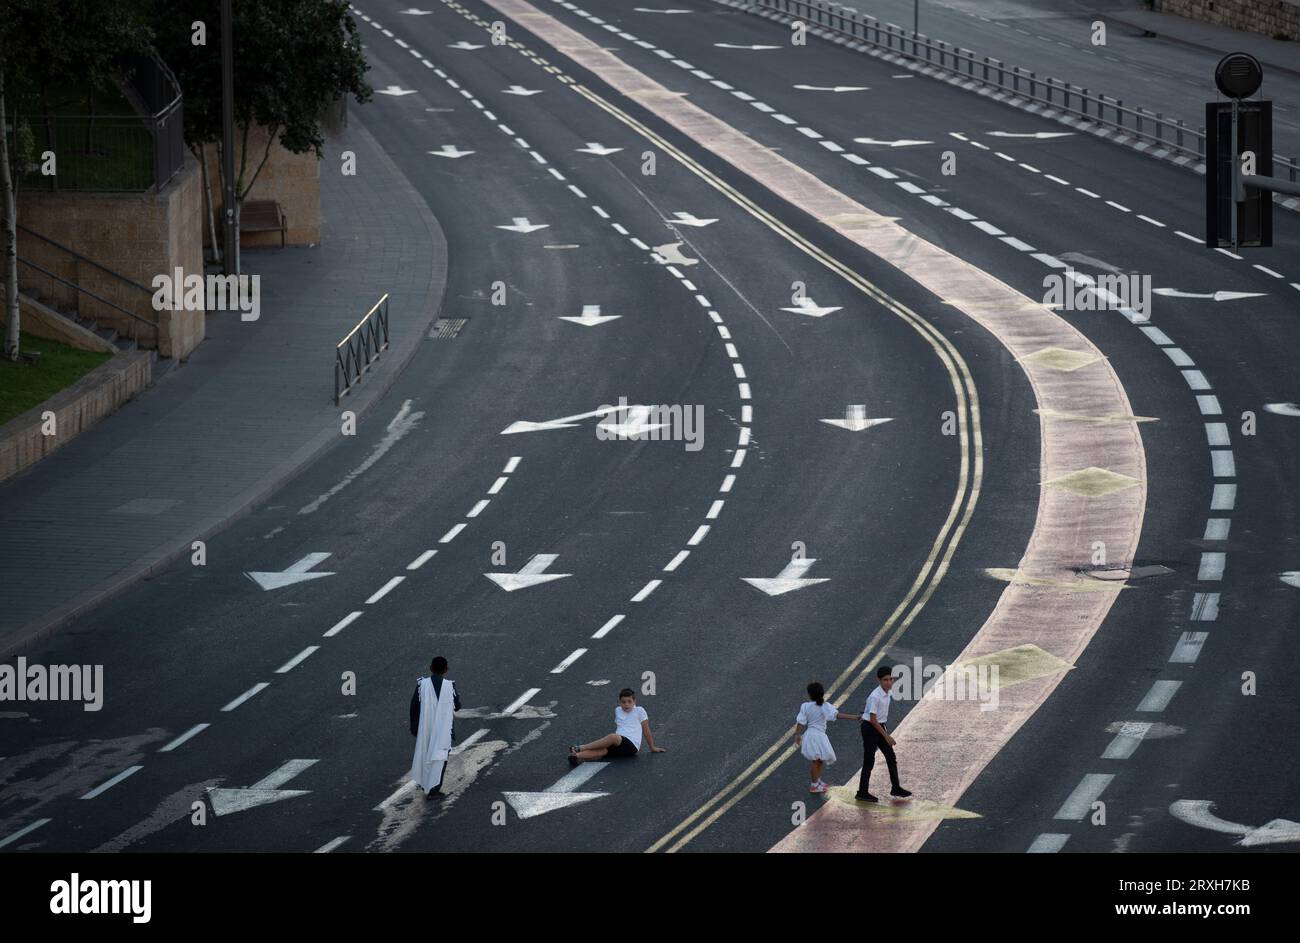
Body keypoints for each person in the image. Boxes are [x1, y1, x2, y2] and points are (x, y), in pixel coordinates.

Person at [855, 665, 912, 803]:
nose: (889, 682)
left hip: (879, 726)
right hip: (870, 728)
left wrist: (884, 731)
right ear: (879, 680)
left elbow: (878, 718)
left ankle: (896, 787)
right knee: (869, 760)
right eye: (885, 680)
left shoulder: (887, 693)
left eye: (890, 679)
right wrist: (886, 735)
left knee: (891, 757)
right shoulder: (875, 696)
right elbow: (873, 720)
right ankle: (862, 792)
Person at [794, 681, 860, 793]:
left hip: (812, 735)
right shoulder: (825, 706)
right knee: (816, 760)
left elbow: (800, 722)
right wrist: (855, 717)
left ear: (810, 694)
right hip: (817, 736)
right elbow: (836, 715)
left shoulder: (805, 706)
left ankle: (817, 781)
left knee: (819, 760)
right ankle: (814, 785)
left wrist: (797, 734)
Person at [410, 656, 461, 799]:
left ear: (431, 669)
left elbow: (414, 706)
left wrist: (414, 726)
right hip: (443, 730)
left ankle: (424, 781)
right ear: (446, 670)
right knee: (440, 757)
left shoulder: (422, 685)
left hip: (425, 727)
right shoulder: (450, 686)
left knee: (424, 753)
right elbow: (457, 706)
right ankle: (434, 788)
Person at [568, 689, 665, 764]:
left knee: (613, 737)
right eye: (623, 702)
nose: (626, 705)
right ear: (619, 701)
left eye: (629, 701)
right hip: (618, 743)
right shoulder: (618, 710)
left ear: (634, 701)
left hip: (631, 746)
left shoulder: (640, 711)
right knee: (602, 751)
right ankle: (576, 756)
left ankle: (580, 748)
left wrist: (652, 747)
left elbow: (646, 730)